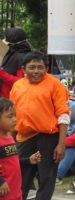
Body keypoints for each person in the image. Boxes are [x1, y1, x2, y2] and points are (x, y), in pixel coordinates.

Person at [9, 51, 70, 200]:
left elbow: (63, 115)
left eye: (40, 67)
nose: (36, 71)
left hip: (49, 138)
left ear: (46, 68)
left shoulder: (55, 85)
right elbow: (11, 116)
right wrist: (10, 140)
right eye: (32, 67)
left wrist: (61, 144)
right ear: (24, 69)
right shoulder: (17, 86)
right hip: (23, 137)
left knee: (46, 179)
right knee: (21, 178)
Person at [0, 98, 42, 200]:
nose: (14, 119)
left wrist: (28, 160)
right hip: (3, 192)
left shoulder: (10, 138)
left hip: (15, 192)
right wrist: (0, 181)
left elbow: (12, 161)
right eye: (10, 117)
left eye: (15, 115)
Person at [0, 27, 31, 98]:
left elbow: (21, 81)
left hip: (12, 100)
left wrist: (1, 73)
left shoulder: (22, 57)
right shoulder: (10, 53)